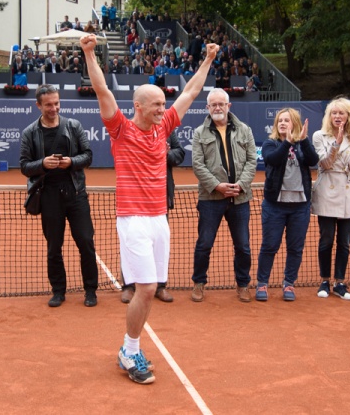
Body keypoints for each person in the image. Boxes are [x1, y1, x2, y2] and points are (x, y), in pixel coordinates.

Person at [82, 33, 216, 385]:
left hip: (159, 218)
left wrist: (207, 60)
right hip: (133, 219)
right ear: (138, 107)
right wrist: (89, 54)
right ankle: (129, 350)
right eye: (156, 104)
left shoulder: (165, 127)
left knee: (153, 286)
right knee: (144, 287)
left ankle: (131, 347)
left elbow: (189, 93)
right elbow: (103, 92)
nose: (163, 108)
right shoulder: (120, 129)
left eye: (163, 103)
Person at [20, 84, 98, 308]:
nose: (53, 108)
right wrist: (43, 164)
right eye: (48, 105)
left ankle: (90, 290)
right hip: (49, 197)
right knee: (54, 246)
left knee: (85, 242)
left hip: (76, 194)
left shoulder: (74, 126)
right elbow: (25, 166)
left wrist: (71, 162)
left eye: (56, 103)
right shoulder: (29, 132)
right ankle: (58, 291)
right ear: (38, 105)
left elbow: (88, 156)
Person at [190, 89, 257, 303]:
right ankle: (199, 283)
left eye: (221, 104)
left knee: (243, 246)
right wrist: (217, 185)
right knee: (204, 244)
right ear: (207, 108)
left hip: (239, 198)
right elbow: (198, 165)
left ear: (229, 106)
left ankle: (243, 285)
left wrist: (241, 185)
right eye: (213, 104)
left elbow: (252, 161)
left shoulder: (245, 130)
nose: (217, 107)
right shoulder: (200, 132)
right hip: (210, 199)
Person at [255, 108, 318, 302]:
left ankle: (289, 283)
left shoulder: (303, 144)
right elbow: (272, 159)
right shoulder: (270, 143)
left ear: (295, 124)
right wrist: (288, 142)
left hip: (300, 206)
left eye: (287, 120)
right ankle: (262, 283)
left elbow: (313, 161)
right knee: (269, 246)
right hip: (275, 205)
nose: (282, 123)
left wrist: (304, 140)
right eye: (280, 120)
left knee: (295, 248)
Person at [311, 98, 350, 301]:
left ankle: (340, 282)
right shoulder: (319, 136)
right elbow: (325, 163)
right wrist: (336, 143)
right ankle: (325, 280)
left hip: (348, 191)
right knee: (326, 240)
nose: (337, 116)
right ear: (329, 116)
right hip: (327, 189)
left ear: (348, 116)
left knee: (344, 242)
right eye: (334, 113)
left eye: (341, 113)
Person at [120, 131, 184, 304]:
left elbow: (179, 154)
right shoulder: (130, 132)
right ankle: (129, 286)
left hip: (159, 197)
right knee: (130, 242)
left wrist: (166, 153)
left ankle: (160, 285)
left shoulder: (168, 132)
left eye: (161, 105)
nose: (159, 109)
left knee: (159, 243)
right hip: (134, 197)